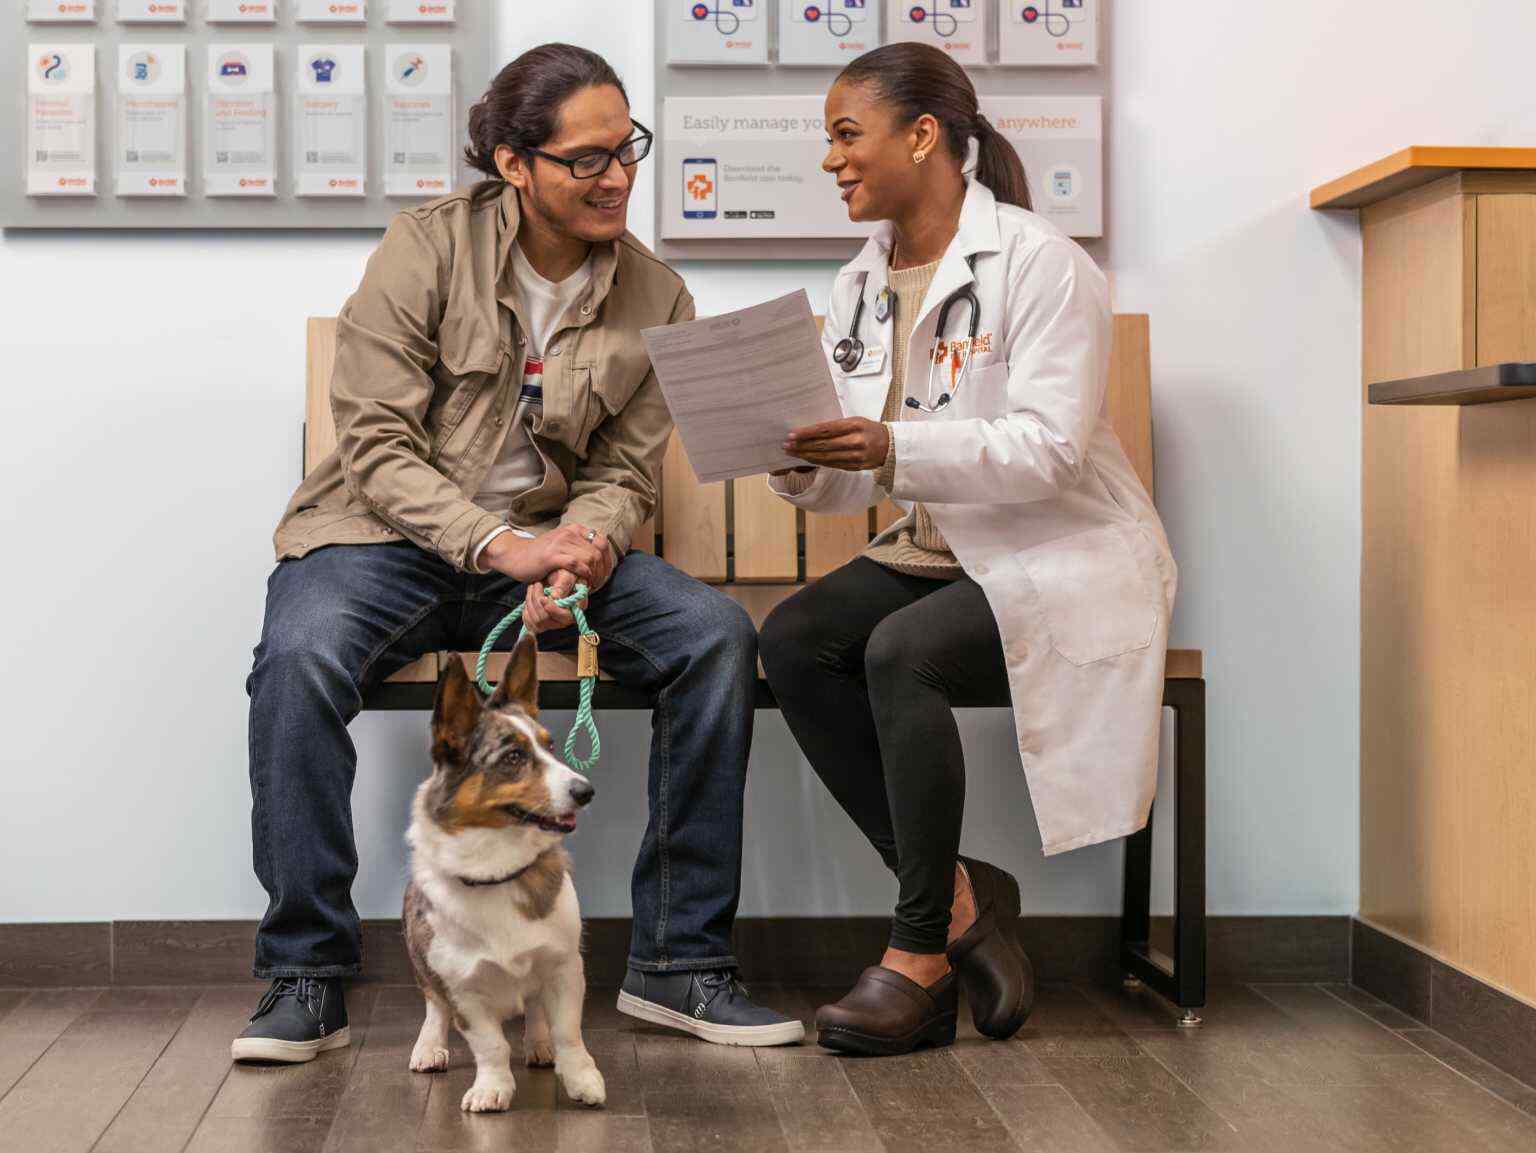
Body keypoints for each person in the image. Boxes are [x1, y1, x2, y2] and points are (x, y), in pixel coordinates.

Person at [235, 43, 803, 1063]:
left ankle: (679, 963)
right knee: (299, 658)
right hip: (386, 543)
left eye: (626, 147)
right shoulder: (424, 249)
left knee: (714, 635)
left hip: (546, 554)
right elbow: (372, 441)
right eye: (586, 159)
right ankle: (304, 975)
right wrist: (504, 547)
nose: (619, 175)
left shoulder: (658, 295)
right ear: (514, 163)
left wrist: (582, 551)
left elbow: (627, 469)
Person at [759, 42, 1177, 1056]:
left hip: (1062, 549)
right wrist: (800, 463)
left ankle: (918, 958)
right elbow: (867, 473)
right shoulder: (862, 284)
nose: (832, 160)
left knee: (904, 651)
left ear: (924, 135)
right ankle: (961, 897)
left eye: (845, 135)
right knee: (796, 638)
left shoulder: (1042, 264)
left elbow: (1047, 450)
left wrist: (893, 446)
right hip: (945, 547)